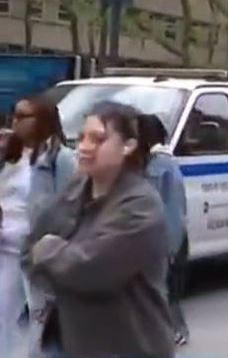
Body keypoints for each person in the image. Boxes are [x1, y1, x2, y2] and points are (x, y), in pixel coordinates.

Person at [22, 101, 173, 357]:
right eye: (81, 138)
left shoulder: (140, 205)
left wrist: (50, 249)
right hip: (64, 339)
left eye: (98, 139)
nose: (84, 147)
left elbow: (90, 270)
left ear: (128, 146)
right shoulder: (76, 186)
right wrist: (59, 267)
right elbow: (29, 248)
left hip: (124, 346)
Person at [2, 95, 75, 355]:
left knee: (40, 319)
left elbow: (70, 206)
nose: (15, 121)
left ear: (43, 121)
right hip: (6, 248)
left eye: (24, 116)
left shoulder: (60, 158)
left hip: (37, 253)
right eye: (14, 114)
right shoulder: (10, 154)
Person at [138, 114, 190, 346]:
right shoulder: (139, 162)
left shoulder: (164, 165)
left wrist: (170, 245)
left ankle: (177, 330)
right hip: (145, 238)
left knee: (166, 289)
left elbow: (174, 208)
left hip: (166, 238)